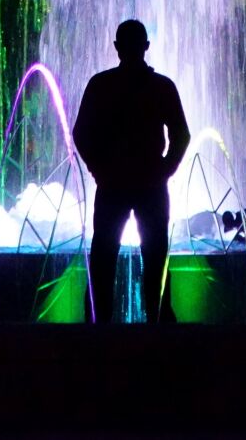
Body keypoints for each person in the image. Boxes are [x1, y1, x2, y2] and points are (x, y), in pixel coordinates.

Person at [72, 18, 191, 322]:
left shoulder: (101, 85)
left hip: (114, 181)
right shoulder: (161, 86)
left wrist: (98, 167)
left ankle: (98, 324)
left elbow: (81, 133)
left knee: (104, 255)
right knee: (154, 256)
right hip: (149, 181)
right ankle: (159, 321)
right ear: (146, 47)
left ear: (116, 48)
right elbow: (181, 134)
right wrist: (166, 168)